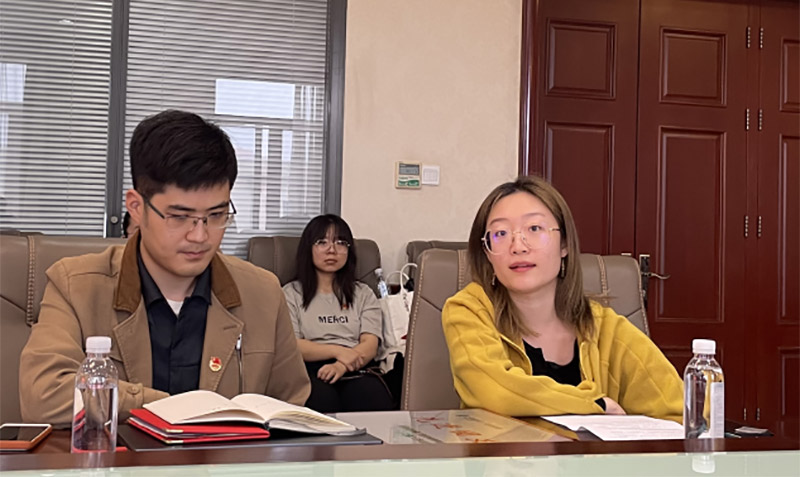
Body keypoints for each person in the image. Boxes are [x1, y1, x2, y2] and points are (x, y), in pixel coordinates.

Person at [19, 110, 310, 427]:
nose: (199, 236)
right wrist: (170, 408)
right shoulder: (76, 285)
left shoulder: (262, 292)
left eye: (216, 215)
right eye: (179, 217)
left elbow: (290, 409)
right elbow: (44, 398)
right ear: (136, 207)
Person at [442, 176, 683, 422]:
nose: (518, 246)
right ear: (487, 253)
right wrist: (593, 404)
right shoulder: (468, 310)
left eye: (534, 229)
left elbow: (680, 410)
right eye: (500, 233)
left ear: (564, 244)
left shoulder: (605, 328)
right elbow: (494, 391)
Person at [283, 214, 394, 413]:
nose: (332, 250)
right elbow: (294, 346)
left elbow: (370, 345)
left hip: (356, 366)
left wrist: (342, 365)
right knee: (320, 400)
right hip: (308, 368)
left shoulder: (363, 293)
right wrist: (338, 351)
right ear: (308, 248)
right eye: (322, 242)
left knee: (373, 397)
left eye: (340, 243)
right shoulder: (290, 293)